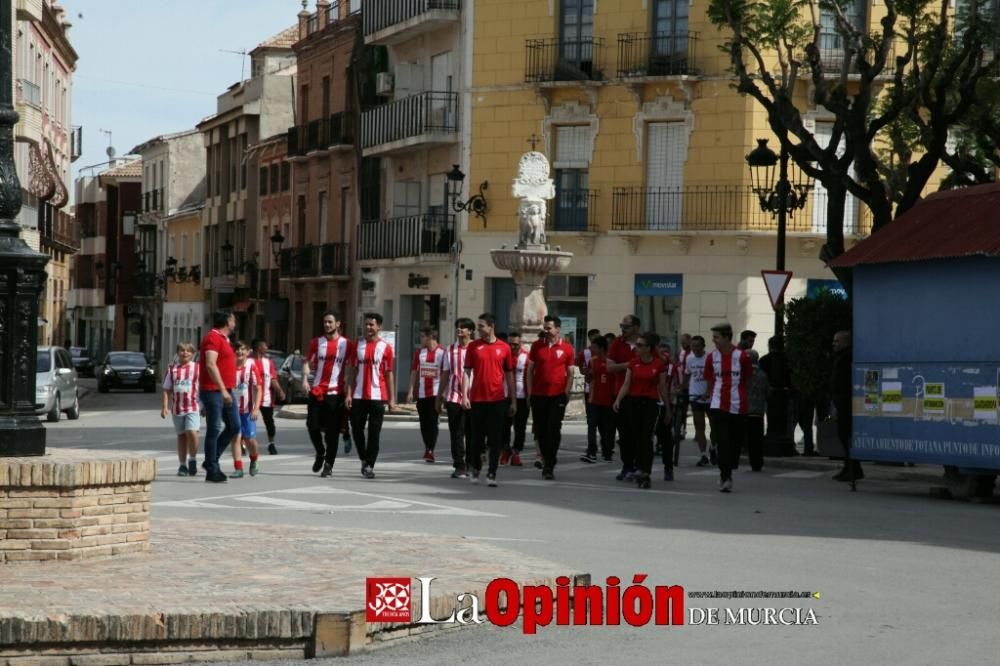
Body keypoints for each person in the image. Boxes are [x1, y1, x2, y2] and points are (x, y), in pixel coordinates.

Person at [462, 312, 515, 487]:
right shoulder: (473, 347)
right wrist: (464, 395)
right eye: (478, 326)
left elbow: (509, 376)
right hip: (477, 399)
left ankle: (492, 472)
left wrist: (513, 400)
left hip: (497, 400)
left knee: (495, 439)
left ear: (491, 327)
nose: (478, 329)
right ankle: (476, 468)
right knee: (476, 438)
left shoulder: (504, 348)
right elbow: (467, 372)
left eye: (481, 326)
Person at [613, 332, 671, 489]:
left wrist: (667, 409)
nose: (636, 348)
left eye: (640, 345)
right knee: (636, 437)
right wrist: (618, 400)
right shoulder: (633, 363)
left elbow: (662, 388)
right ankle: (638, 467)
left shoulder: (658, 365)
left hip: (651, 404)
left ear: (648, 348)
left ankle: (646, 472)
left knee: (646, 437)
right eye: (636, 345)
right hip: (633, 402)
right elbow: (626, 384)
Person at [302, 310, 353, 478]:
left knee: (332, 432)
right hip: (317, 391)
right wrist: (304, 378)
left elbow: (351, 368)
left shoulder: (347, 344)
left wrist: (349, 392)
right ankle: (320, 452)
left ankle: (329, 464)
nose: (327, 325)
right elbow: (307, 362)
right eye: (325, 322)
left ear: (338, 324)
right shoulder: (316, 342)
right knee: (312, 426)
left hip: (335, 392)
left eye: (330, 322)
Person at [346, 312, 395, 479]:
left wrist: (391, 399)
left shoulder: (386, 348)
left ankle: (369, 465)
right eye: (366, 324)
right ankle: (363, 458)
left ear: (379, 327)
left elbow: (389, 374)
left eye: (371, 325)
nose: (368, 327)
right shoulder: (357, 345)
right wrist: (348, 393)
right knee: (357, 430)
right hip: (358, 395)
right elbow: (352, 371)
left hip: (377, 396)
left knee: (374, 433)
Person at [704, 322, 752, 493]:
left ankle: (730, 466)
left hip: (738, 404)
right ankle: (725, 476)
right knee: (723, 441)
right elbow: (709, 380)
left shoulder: (742, 357)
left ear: (726, 337)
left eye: (716, 337)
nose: (714, 340)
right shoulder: (712, 357)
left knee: (736, 441)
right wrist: (710, 398)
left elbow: (746, 378)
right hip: (718, 404)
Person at [528, 316, 575, 480]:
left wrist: (566, 393)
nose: (546, 331)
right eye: (545, 328)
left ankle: (550, 463)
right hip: (538, 395)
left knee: (554, 429)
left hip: (557, 396)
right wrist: (530, 391)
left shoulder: (567, 348)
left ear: (557, 329)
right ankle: (545, 456)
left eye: (549, 328)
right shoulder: (536, 346)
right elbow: (530, 370)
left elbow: (570, 373)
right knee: (540, 430)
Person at [199, 310, 239, 483]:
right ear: (227, 321)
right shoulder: (213, 338)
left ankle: (210, 460)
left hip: (226, 390)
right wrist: (222, 390)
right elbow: (210, 364)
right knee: (214, 429)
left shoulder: (224, 339)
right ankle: (212, 469)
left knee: (234, 426)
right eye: (233, 320)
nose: (235, 323)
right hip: (214, 390)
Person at [439, 318, 475, 479]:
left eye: (463, 328)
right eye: (458, 327)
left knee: (473, 433)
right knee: (456, 433)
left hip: (474, 397)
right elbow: (446, 373)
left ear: (470, 331)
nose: (459, 330)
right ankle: (459, 465)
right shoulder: (450, 349)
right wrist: (440, 395)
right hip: (453, 396)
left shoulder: (476, 348)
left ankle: (471, 463)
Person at [608, 314, 641, 480]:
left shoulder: (645, 344)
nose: (623, 329)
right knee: (624, 433)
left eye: (626, 326)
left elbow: (659, 362)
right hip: (621, 394)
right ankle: (627, 465)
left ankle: (639, 465)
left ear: (636, 327)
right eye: (621, 326)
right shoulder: (617, 344)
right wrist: (628, 365)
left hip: (641, 395)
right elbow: (609, 367)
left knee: (639, 433)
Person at [161, 342, 200, 477]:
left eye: (188, 351)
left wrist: (205, 405)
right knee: (181, 436)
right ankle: (182, 465)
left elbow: (204, 388)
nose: (185, 353)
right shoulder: (172, 369)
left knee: (192, 432)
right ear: (178, 353)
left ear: (192, 353)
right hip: (177, 409)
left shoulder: (197, 368)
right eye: (182, 350)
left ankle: (193, 459)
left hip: (193, 407)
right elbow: (166, 389)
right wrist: (165, 406)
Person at [407, 326, 444, 463]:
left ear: (430, 337)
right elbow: (414, 372)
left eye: (422, 336)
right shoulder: (419, 353)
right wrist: (410, 391)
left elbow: (446, 373)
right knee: (424, 423)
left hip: (435, 393)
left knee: (433, 422)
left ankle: (430, 449)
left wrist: (443, 393)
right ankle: (427, 446)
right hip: (422, 394)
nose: (420, 339)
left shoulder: (442, 352)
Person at [831, 330, 862, 481]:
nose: (834, 344)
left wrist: (839, 403)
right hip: (843, 402)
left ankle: (852, 468)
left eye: (837, 341)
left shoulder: (845, 358)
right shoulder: (843, 357)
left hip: (845, 404)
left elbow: (842, 383)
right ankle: (850, 467)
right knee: (845, 436)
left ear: (846, 342)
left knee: (846, 436)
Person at [230, 341, 262, 478]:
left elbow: (258, 389)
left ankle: (254, 459)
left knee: (250, 440)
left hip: (248, 410)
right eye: (237, 349)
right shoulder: (228, 367)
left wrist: (256, 408)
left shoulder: (251, 367)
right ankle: (238, 468)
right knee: (236, 438)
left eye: (243, 349)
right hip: (232, 410)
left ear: (247, 351)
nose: (240, 352)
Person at [252, 339, 286, 455]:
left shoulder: (268, 362)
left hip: (266, 398)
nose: (266, 348)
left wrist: (280, 391)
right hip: (251, 398)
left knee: (269, 422)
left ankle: (271, 444)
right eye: (264, 346)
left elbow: (273, 379)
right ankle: (243, 443)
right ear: (258, 347)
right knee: (248, 422)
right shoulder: (248, 361)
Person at [501, 331, 530, 467]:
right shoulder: (502, 355)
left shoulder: (526, 357)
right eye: (510, 344)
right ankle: (505, 450)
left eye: (515, 344)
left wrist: (530, 396)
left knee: (520, 427)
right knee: (504, 426)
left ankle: (516, 452)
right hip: (504, 396)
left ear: (520, 343)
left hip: (521, 397)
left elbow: (530, 378)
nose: (512, 347)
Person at [684, 335, 712, 467]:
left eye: (697, 346)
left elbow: (713, 377)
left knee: (715, 426)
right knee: (699, 426)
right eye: (692, 346)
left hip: (711, 397)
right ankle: (703, 454)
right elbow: (688, 373)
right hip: (695, 395)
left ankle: (714, 447)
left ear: (703, 346)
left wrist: (708, 392)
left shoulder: (710, 358)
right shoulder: (689, 358)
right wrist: (681, 387)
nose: (694, 349)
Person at [587, 336, 616, 461]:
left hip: (609, 399)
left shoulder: (612, 361)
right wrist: (587, 374)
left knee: (607, 428)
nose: (592, 349)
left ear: (602, 348)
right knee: (592, 426)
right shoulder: (593, 361)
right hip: (594, 398)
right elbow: (588, 379)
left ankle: (607, 451)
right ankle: (591, 450)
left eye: (594, 347)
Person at [578, 328, 602, 463]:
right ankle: (591, 448)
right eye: (593, 338)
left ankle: (606, 448)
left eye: (597, 338)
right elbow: (581, 370)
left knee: (604, 422)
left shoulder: (606, 355)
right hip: (590, 391)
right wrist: (586, 372)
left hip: (604, 391)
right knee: (591, 421)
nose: (595, 340)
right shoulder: (585, 353)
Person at [655, 341, 676, 478]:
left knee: (665, 436)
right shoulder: (651, 363)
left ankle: (668, 466)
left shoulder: (671, 366)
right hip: (651, 402)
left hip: (665, 402)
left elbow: (673, 384)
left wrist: (670, 403)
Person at [746, 349, 768, 472]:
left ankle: (750, 459)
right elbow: (767, 392)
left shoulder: (744, 374)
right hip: (758, 411)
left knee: (748, 438)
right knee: (757, 439)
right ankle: (757, 462)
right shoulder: (763, 375)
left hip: (746, 410)